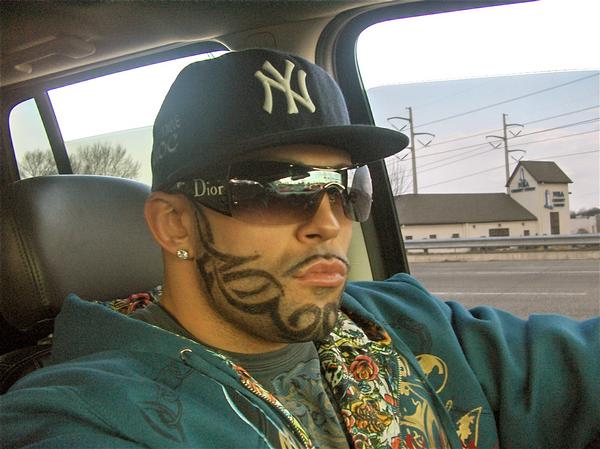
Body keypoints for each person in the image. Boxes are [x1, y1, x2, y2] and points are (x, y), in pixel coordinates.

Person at [1, 48, 599, 449]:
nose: (329, 223)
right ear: (175, 225)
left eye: (346, 189)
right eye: (277, 190)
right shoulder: (86, 412)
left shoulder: (408, 320)